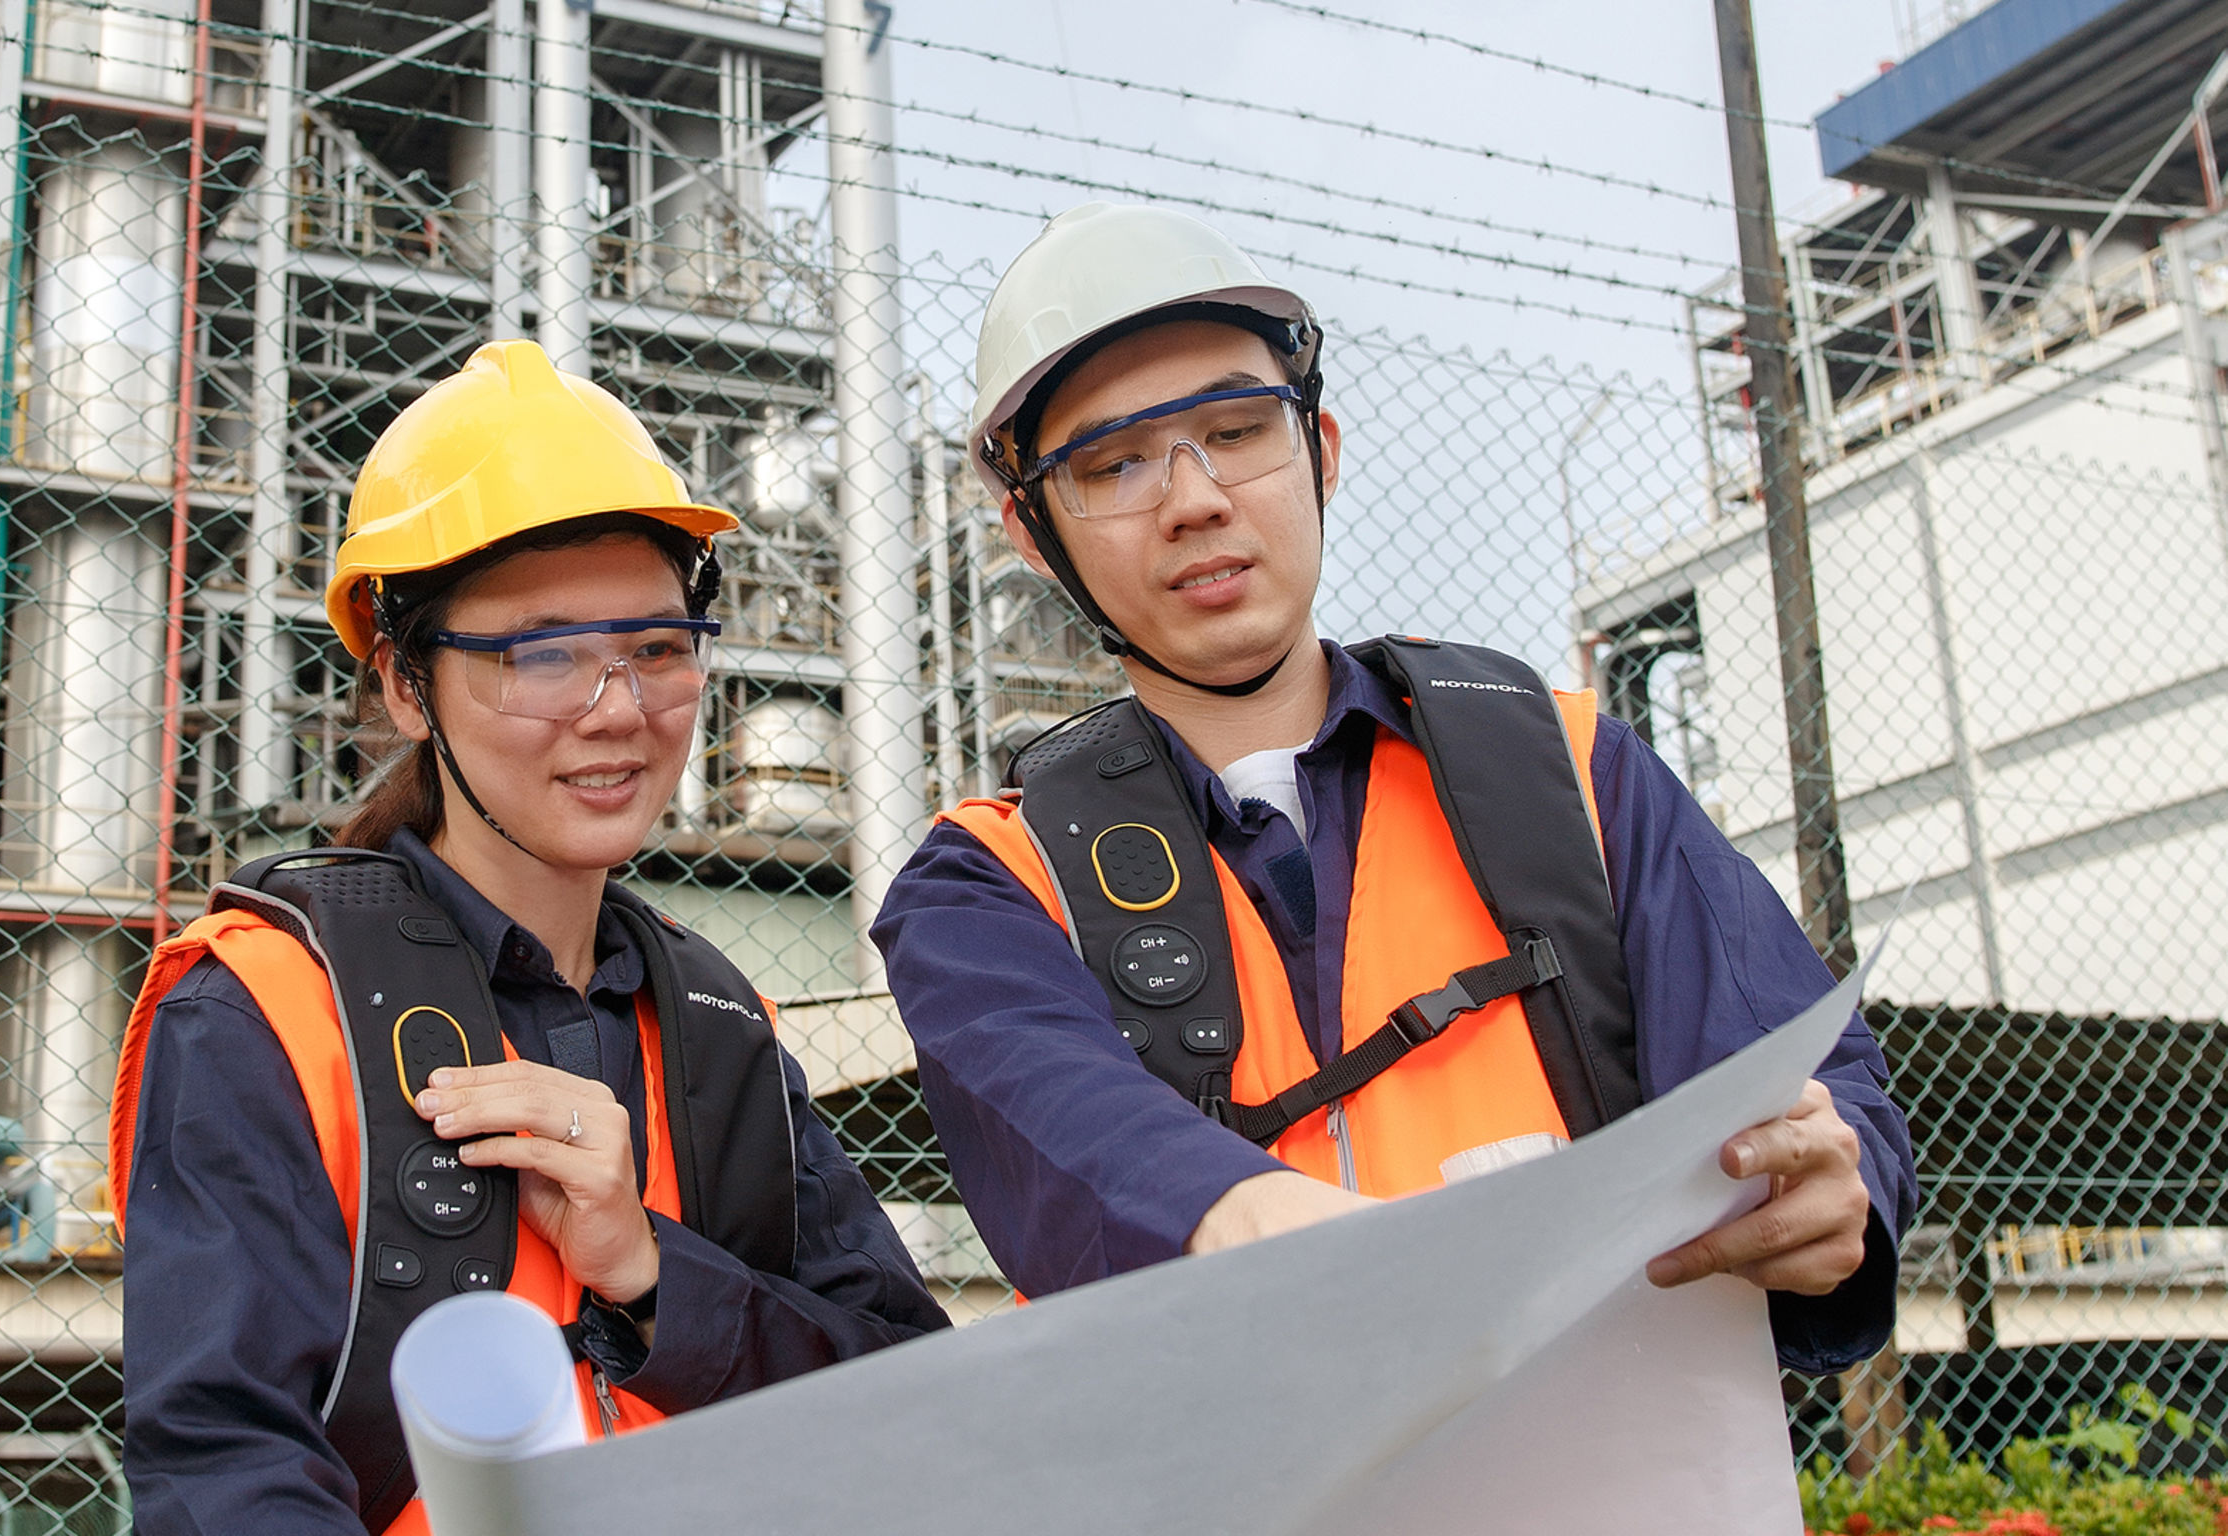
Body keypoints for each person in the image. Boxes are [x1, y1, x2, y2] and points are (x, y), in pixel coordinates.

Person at [871, 202, 1915, 1374]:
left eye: (1236, 428)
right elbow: (1061, 1128)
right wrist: (1271, 1227)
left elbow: (1803, 1075)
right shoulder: (987, 891)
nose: (1194, 497)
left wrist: (1840, 1183)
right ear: (1031, 530)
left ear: (1320, 450)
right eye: (1111, 464)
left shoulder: (1569, 771)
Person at [110, 340, 950, 1536]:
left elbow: (906, 1401)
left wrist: (653, 1276)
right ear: (407, 684)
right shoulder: (267, 1010)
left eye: (657, 650)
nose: (617, 711)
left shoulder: (717, 1030)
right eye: (540, 654)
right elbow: (223, 1472)